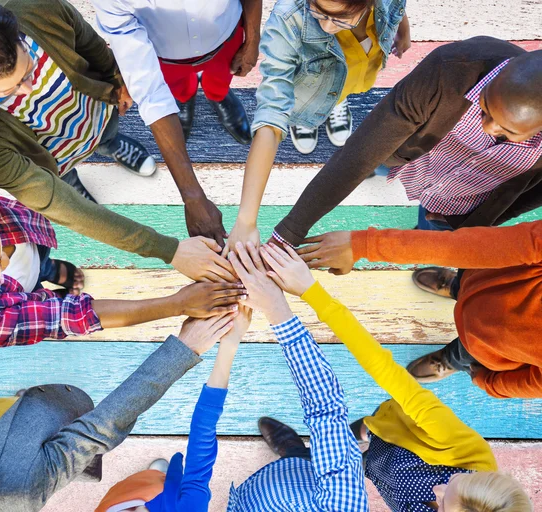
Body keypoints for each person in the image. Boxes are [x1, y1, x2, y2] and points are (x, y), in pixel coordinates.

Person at [0, 0, 236, 283]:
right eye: (11, 90)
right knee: (68, 188)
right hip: (55, 160)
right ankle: (76, 178)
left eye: (29, 69)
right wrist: (168, 250)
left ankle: (113, 145)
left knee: (107, 136)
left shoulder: (36, 7)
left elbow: (88, 43)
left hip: (97, 114)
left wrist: (114, 78)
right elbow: (57, 202)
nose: (30, 88)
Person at [253, 241, 532, 511]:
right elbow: (382, 366)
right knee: (357, 433)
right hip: (386, 430)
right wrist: (311, 291)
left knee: (332, 473)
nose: (437, 490)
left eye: (443, 504)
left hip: (377, 472)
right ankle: (342, 440)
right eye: (458, 479)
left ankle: (302, 457)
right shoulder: (464, 448)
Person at [0, 313, 236, 512]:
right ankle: (79, 465)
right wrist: (184, 350)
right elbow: (99, 427)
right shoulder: (18, 491)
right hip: (51, 440)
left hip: (3, 414)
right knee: (78, 451)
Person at [268, 38, 542, 249]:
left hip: (463, 206)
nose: (488, 126)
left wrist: (481, 223)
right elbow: (360, 154)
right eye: (484, 107)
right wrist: (290, 232)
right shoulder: (449, 70)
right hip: (410, 157)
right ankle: (382, 169)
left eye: (507, 131)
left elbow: (534, 194)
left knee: (433, 235)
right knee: (375, 160)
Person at [0, 172, 246, 347]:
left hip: (31, 233)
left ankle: (53, 270)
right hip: (21, 291)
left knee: (45, 265)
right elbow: (66, 317)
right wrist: (176, 303)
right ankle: (45, 277)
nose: (4, 263)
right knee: (34, 285)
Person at [224, 0, 410, 253]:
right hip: (304, 91)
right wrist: (246, 220)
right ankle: (305, 117)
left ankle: (334, 103)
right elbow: (271, 111)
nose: (325, 25)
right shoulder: (289, 19)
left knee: (345, 88)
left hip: (359, 69)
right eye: (318, 12)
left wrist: (403, 29)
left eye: (340, 19)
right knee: (298, 109)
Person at [295, 222, 542, 399]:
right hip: (481, 274)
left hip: (483, 347)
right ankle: (455, 285)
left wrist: (488, 382)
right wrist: (363, 245)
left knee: (462, 355)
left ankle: (449, 361)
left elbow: (532, 384)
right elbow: (461, 247)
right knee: (466, 276)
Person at [92, 0, 262, 247]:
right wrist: (192, 197)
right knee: (178, 91)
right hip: (163, 59)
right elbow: (151, 91)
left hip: (224, 42)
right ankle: (187, 97)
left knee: (220, 82)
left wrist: (253, 39)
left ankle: (218, 96)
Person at [225, 242, 369, 511]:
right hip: (313, 479)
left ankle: (298, 451)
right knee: (333, 438)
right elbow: (325, 407)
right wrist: (277, 309)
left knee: (328, 448)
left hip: (265, 492)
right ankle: (333, 445)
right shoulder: (339, 505)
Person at [95, 305, 253, 512]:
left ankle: (153, 477)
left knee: (134, 486)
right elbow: (202, 437)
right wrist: (230, 344)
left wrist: (228, 344)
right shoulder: (189, 508)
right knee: (158, 481)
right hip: (161, 498)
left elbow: (203, 435)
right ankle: (157, 477)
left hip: (124, 499)